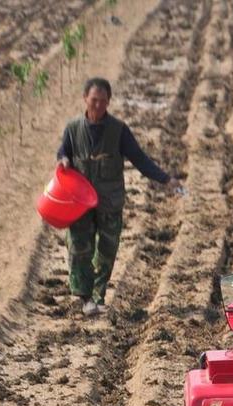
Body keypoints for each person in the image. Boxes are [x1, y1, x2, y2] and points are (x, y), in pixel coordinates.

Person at [57, 77, 181, 316]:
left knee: (107, 249)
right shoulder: (73, 129)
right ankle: (85, 297)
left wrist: (166, 179)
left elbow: (140, 159)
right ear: (85, 99)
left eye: (103, 102)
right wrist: (63, 159)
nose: (98, 106)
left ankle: (98, 295)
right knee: (79, 248)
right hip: (80, 202)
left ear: (109, 102)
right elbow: (64, 151)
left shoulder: (118, 130)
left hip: (109, 201)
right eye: (94, 101)